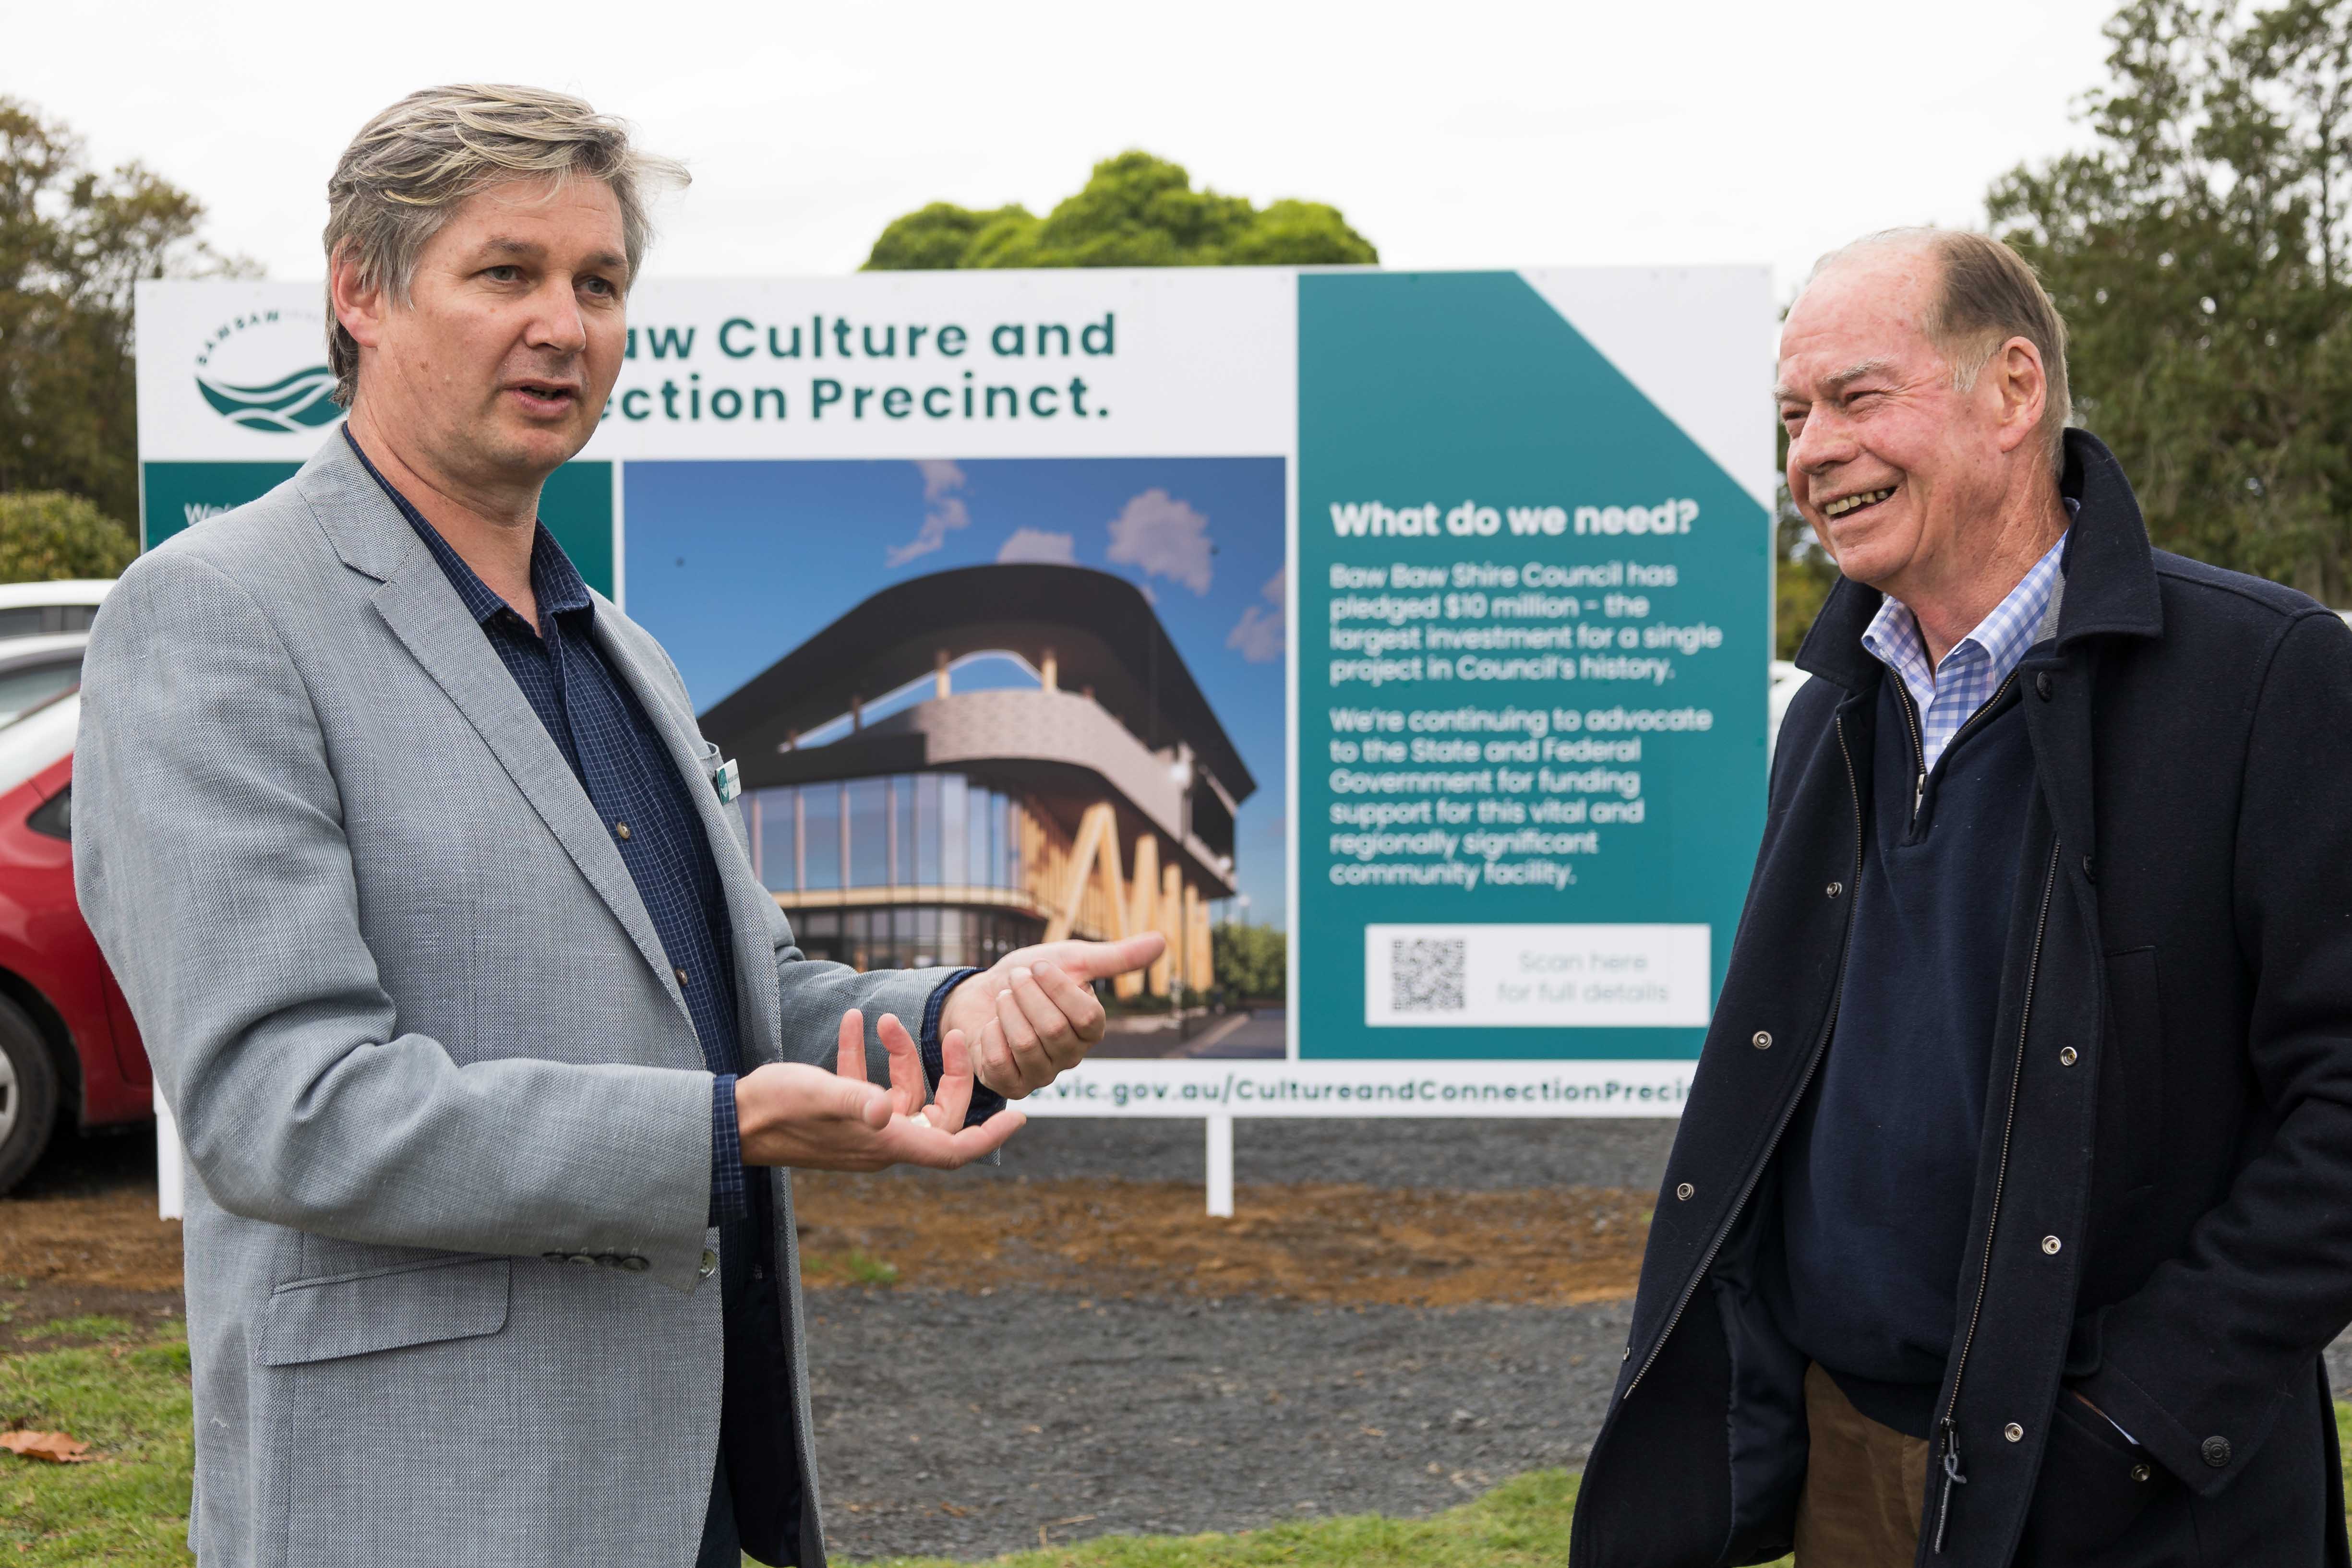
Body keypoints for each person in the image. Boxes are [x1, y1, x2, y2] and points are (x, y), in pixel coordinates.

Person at [73, 84, 1163, 1568]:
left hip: (685, 1490)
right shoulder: (216, 616)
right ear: (360, 292)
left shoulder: (622, 650)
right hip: (423, 1502)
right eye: (506, 273)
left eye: (599, 284)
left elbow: (745, 998)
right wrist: (721, 1130)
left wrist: (958, 1014)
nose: (565, 325)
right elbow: (287, 1107)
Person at [1568, 228, 2352, 1566]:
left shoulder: (2264, 678)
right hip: (1855, 1468)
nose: (1811, 450)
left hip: (2136, 1489)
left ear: (2011, 391)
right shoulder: (1828, 715)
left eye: (1858, 398)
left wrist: (2136, 1420)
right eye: (1793, 415)